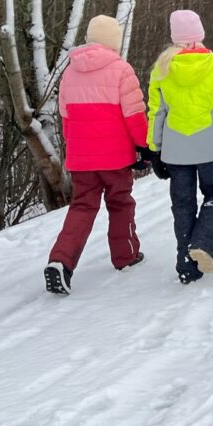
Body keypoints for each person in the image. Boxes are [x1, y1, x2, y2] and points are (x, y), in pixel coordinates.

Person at [44, 15, 150, 296]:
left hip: (82, 159)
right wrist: (144, 146)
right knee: (120, 203)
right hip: (115, 159)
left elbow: (66, 119)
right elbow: (134, 116)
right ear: (114, 41)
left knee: (82, 207)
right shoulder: (121, 70)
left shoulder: (70, 73)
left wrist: (75, 148)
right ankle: (125, 255)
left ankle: (60, 261)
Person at [145, 10, 213, 283]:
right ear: (200, 35)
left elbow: (156, 113)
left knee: (182, 204)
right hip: (209, 147)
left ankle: (186, 265)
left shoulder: (161, 69)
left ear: (174, 37)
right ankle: (203, 241)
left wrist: (155, 149)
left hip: (176, 150)